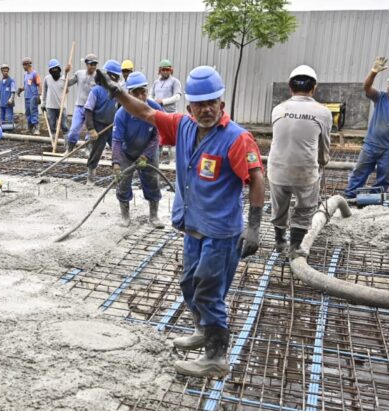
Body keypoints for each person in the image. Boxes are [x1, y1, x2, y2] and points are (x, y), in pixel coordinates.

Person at [95, 65, 265, 378]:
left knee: (208, 292)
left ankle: (216, 356)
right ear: (189, 107)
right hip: (192, 227)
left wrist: (254, 227)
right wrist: (115, 91)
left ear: (222, 103)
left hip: (220, 233)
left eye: (212, 101)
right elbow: (145, 111)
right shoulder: (183, 127)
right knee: (189, 284)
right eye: (200, 104)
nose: (207, 109)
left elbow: (256, 179)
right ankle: (204, 330)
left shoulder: (237, 139)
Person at [268, 65, 332, 257]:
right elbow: (324, 145)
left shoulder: (278, 109)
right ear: (314, 87)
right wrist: (322, 162)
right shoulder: (322, 112)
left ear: (290, 87)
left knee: (279, 207)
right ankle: (295, 247)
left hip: (276, 168)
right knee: (305, 208)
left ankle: (280, 242)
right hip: (305, 171)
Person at [344, 57, 389, 198]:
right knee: (359, 172)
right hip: (370, 145)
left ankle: (375, 203)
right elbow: (366, 87)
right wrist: (373, 72)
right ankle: (349, 199)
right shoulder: (380, 97)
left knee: (384, 179)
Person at [112, 71, 164, 228]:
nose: (141, 97)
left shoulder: (155, 108)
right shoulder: (121, 114)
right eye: (136, 93)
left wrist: (146, 156)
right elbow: (117, 141)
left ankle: (153, 217)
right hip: (127, 154)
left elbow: (157, 136)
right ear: (129, 93)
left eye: (143, 92)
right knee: (123, 183)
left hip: (149, 151)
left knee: (152, 181)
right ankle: (125, 216)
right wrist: (116, 163)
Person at [84, 59, 121, 184]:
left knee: (119, 151)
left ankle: (119, 177)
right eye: (112, 77)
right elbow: (88, 110)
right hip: (99, 125)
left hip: (113, 126)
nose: (114, 80)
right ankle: (90, 176)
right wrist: (91, 129)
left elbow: (122, 109)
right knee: (96, 152)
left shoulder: (117, 92)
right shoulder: (96, 91)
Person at [65, 53, 99, 152]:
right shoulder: (79, 74)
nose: (93, 66)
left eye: (95, 64)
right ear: (86, 64)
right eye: (91, 64)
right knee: (74, 130)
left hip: (92, 108)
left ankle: (88, 149)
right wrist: (66, 72)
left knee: (91, 131)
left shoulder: (98, 76)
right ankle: (69, 148)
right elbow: (68, 83)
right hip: (79, 106)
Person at [151, 59, 183, 164]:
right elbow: (151, 96)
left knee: (171, 139)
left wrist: (163, 101)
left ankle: (172, 163)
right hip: (158, 114)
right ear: (159, 70)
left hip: (170, 115)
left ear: (171, 71)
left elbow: (177, 97)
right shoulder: (156, 82)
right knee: (158, 138)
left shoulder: (175, 82)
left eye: (167, 70)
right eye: (163, 69)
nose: (165, 72)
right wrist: (153, 102)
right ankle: (157, 162)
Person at [41, 58, 71, 135]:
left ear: (59, 69)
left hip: (61, 107)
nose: (54, 71)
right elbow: (44, 92)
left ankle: (67, 143)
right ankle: (53, 141)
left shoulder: (64, 78)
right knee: (52, 127)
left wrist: (66, 75)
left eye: (56, 69)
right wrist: (43, 103)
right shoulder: (47, 79)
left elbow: (67, 91)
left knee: (64, 126)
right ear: (50, 71)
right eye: (52, 69)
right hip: (50, 107)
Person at [16, 57, 42, 134]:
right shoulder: (25, 75)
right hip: (27, 96)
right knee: (28, 113)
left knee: (33, 112)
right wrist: (21, 89)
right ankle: (30, 128)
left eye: (24, 65)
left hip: (33, 96)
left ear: (28, 64)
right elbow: (26, 85)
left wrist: (39, 95)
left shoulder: (35, 74)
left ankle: (37, 128)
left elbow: (39, 84)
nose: (23, 67)